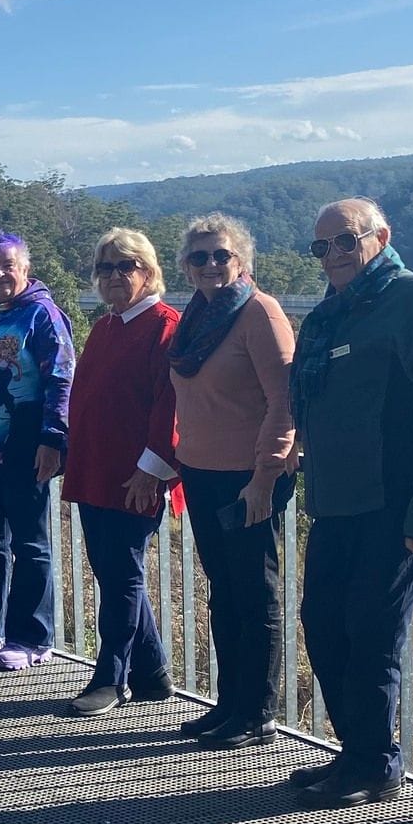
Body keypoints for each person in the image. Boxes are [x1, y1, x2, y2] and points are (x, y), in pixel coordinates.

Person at [291, 197, 413, 808]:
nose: (333, 256)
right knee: (323, 624)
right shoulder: (331, 315)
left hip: (393, 505)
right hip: (336, 502)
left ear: (380, 236)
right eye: (322, 247)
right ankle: (357, 752)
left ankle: (373, 764)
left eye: (345, 241)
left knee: (371, 635)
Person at [167, 214, 297, 749]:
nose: (211, 265)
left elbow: (286, 402)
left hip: (249, 476)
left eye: (221, 255)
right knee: (225, 593)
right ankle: (230, 704)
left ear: (241, 260)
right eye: (199, 257)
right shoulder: (197, 319)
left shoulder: (259, 313)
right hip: (201, 473)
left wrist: (265, 476)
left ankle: (258, 711)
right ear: (187, 267)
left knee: (254, 593)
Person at [62, 229, 182, 716]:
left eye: (126, 266)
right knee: (114, 572)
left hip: (137, 476)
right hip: (95, 468)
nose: (114, 276)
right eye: (106, 267)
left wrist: (152, 470)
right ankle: (151, 674)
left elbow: (170, 403)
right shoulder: (108, 325)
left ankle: (111, 677)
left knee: (123, 574)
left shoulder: (164, 325)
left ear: (148, 272)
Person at [0, 234, 73, 670]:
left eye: (7, 266)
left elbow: (61, 378)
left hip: (24, 445)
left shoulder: (41, 316)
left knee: (30, 543)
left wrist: (53, 439)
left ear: (24, 267)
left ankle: (31, 638)